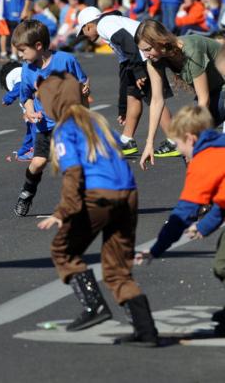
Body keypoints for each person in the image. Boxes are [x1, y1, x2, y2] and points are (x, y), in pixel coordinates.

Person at [36, 72, 158, 346]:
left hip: (98, 196)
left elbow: (74, 175)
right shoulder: (99, 123)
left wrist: (62, 212)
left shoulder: (66, 129)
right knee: (117, 267)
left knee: (63, 250)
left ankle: (94, 306)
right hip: (128, 195)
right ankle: (146, 330)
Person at [134, 105, 225, 334]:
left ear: (191, 139)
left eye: (179, 145)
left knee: (222, 265)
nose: (180, 152)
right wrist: (205, 225)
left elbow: (182, 214)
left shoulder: (204, 161)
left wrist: (157, 248)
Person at [12, 19, 89, 217]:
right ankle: (27, 193)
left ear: (38, 46)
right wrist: (29, 111)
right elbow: (26, 95)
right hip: (46, 125)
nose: (20, 55)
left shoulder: (65, 60)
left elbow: (82, 83)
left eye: (23, 50)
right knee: (37, 162)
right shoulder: (27, 69)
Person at [77, 6, 175, 157]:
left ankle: (175, 140)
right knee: (133, 96)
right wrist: (122, 108)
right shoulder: (109, 23)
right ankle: (127, 139)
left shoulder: (104, 25)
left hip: (144, 58)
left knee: (155, 99)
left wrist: (139, 72)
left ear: (88, 26)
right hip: (137, 60)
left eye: (83, 32)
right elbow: (124, 69)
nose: (84, 36)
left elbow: (128, 42)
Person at [135, 20, 225, 168]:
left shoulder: (191, 49)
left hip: (221, 90)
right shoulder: (154, 61)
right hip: (214, 91)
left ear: (161, 41)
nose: (146, 55)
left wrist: (194, 133)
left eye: (148, 49)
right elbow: (157, 101)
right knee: (188, 145)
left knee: (192, 142)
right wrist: (149, 143)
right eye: (142, 51)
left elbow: (204, 100)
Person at [0, 60, 35, 161]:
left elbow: (20, 85)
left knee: (36, 127)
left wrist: (8, 98)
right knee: (31, 128)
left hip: (39, 108)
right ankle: (30, 150)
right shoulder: (26, 71)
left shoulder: (15, 74)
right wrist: (22, 152)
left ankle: (39, 152)